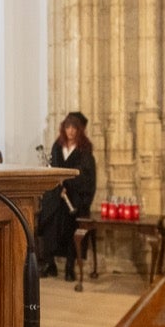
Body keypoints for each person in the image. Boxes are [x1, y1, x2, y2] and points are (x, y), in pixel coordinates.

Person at [36, 112, 96, 280]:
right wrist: (57, 185)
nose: (70, 131)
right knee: (50, 227)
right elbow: (54, 169)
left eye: (74, 128)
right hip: (57, 197)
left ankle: (70, 267)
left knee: (71, 231)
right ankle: (50, 264)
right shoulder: (57, 146)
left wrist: (69, 185)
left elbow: (85, 175)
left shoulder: (84, 149)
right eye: (67, 127)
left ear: (79, 130)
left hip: (74, 199)